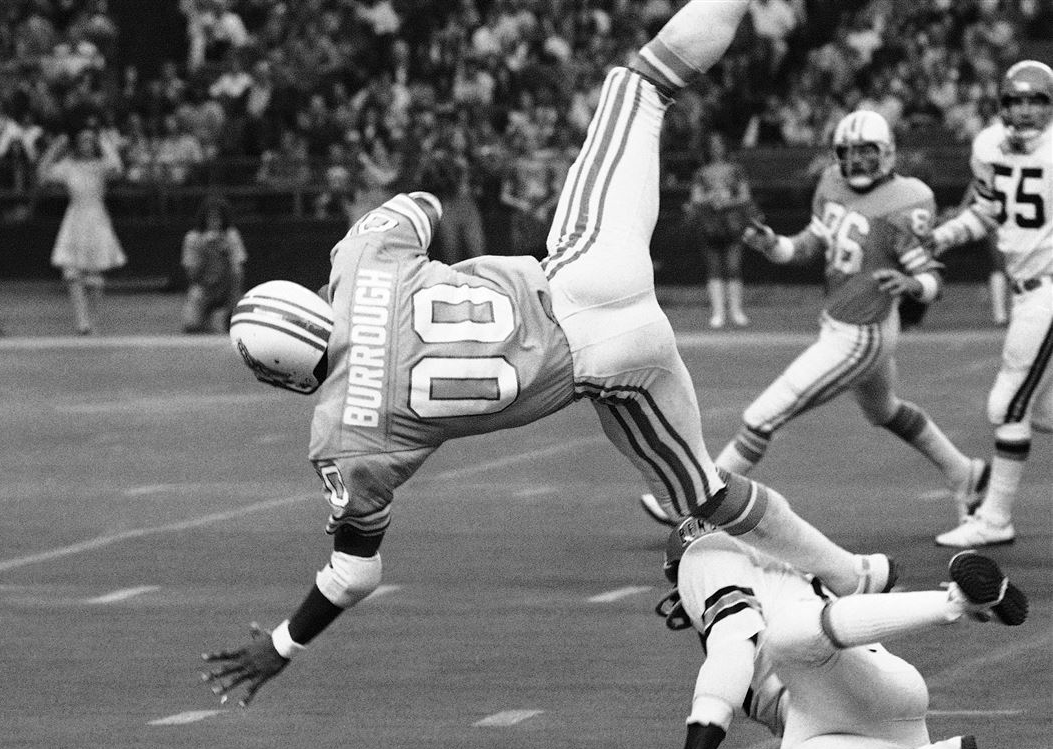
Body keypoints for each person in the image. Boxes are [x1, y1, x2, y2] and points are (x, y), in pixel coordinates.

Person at [201, 0, 896, 709]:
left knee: (706, 495)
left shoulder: (344, 442)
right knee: (643, 82)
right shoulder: (361, 259)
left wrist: (284, 642)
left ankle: (854, 573)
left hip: (610, 368)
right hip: (589, 266)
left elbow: (353, 575)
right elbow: (422, 206)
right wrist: (368, 290)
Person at [640, 109, 987, 529]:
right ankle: (964, 474)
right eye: (849, 152)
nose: (857, 161)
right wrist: (772, 245)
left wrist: (915, 287)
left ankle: (698, 505)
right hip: (848, 322)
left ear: (889, 154)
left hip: (862, 333)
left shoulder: (906, 199)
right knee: (884, 411)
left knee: (761, 416)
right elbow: (806, 246)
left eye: (867, 152)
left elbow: (930, 275)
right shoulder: (832, 183)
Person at [633, 520, 1028, 749]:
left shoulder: (704, 555)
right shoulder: (785, 569)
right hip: (864, 720)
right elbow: (879, 573)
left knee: (785, 637)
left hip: (853, 691)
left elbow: (733, 650)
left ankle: (958, 602)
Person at [925, 60, 1053, 548]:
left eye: (1035, 100)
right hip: (1027, 291)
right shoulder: (987, 146)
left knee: (1007, 405)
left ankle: (996, 518)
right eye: (1015, 100)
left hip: (1047, 289)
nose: (1023, 111)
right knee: (1039, 412)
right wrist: (942, 237)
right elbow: (984, 212)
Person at [37, 128, 126, 334]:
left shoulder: (100, 166)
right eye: (83, 140)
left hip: (96, 219)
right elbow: (43, 175)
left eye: (90, 141)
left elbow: (117, 169)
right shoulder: (69, 166)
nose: (86, 144)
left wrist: (106, 144)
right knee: (71, 273)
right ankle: (82, 322)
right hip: (75, 218)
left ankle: (94, 324)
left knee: (94, 274)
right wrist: (55, 148)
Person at [685, 131, 756, 328]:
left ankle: (736, 311)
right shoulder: (701, 172)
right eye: (713, 144)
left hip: (732, 222)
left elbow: (745, 196)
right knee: (714, 268)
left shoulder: (736, 170)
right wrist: (712, 198)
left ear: (726, 146)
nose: (716, 148)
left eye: (719, 144)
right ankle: (718, 313)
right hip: (710, 224)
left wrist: (727, 200)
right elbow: (695, 198)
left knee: (733, 267)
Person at [180, 195, 246, 334]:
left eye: (218, 218)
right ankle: (206, 319)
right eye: (210, 218)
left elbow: (238, 272)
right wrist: (205, 251)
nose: (214, 222)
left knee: (230, 325)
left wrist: (224, 253)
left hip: (227, 288)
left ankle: (228, 317)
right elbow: (191, 276)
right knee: (191, 325)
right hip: (203, 288)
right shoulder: (193, 238)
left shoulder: (231, 236)